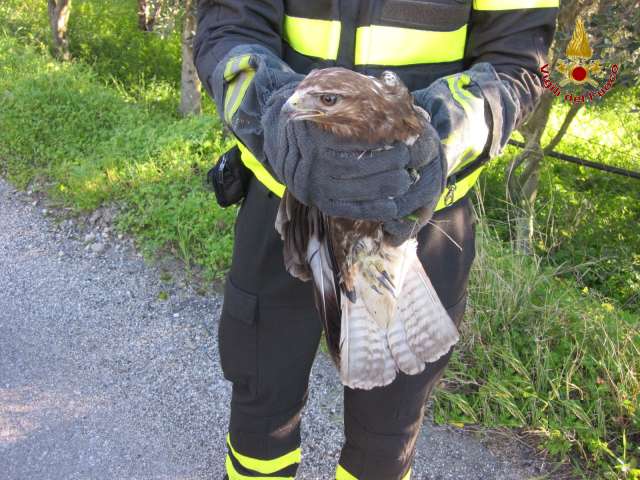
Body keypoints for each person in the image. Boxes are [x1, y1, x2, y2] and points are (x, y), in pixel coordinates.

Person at [194, 1, 558, 479]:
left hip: (414, 219)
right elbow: (228, 25)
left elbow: (519, 63)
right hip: (284, 203)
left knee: (386, 436)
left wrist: (427, 146)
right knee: (261, 408)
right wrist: (273, 117)